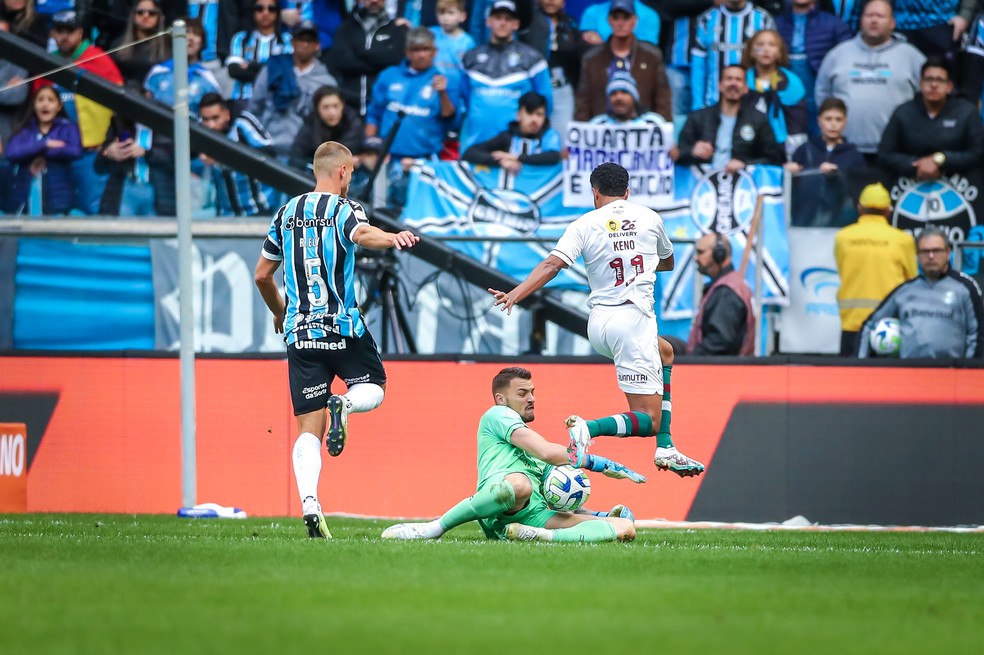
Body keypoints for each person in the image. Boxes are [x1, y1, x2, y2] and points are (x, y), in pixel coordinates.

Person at [488, 162, 705, 477]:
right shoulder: (650, 218)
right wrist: (638, 263)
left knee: (666, 351)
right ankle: (588, 428)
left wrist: (515, 294)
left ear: (595, 192)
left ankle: (667, 446)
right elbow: (667, 261)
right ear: (627, 192)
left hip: (598, 324)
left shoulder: (584, 223)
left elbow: (552, 265)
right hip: (632, 322)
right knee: (647, 421)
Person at [254, 141, 420, 539]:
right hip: (342, 327)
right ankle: (345, 402)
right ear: (343, 172)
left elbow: (262, 274)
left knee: (308, 430)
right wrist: (393, 237)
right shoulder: (345, 209)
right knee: (375, 388)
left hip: (300, 333)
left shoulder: (284, 213)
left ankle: (310, 504)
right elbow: (362, 233)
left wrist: (280, 311)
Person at [380, 366, 642, 542]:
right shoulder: (497, 415)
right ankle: (432, 529)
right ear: (501, 399)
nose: (531, 398)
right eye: (522, 393)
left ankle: (537, 536)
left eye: (533, 392)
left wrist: (598, 515)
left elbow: (554, 489)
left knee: (625, 528)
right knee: (520, 484)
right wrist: (597, 463)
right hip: (500, 504)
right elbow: (547, 451)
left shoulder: (531, 441)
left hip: (533, 516)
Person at [365, 26, 464, 208]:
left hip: (423, 162)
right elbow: (374, 114)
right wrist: (372, 148)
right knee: (378, 212)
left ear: (435, 52)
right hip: (387, 159)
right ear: (407, 52)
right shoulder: (389, 76)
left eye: (426, 49)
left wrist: (442, 94)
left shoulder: (445, 79)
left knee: (416, 217)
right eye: (416, 50)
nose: (421, 55)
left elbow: (452, 121)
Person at [815, 0, 925, 163]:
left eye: (880, 16)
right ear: (861, 20)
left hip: (896, 151)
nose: (874, 20)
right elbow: (822, 93)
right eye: (869, 15)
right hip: (845, 151)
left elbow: (926, 98)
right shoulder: (838, 54)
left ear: (892, 23)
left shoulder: (912, 56)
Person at [39, 9, 124, 215]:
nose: (65, 36)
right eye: (60, 31)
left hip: (90, 153)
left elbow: (122, 108)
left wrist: (117, 140)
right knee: (55, 212)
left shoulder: (99, 59)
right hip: (55, 153)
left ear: (80, 32)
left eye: (70, 30)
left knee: (91, 210)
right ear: (52, 34)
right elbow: (35, 107)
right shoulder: (46, 62)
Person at [858, 226, 983, 359]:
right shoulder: (905, 290)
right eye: (924, 251)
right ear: (917, 255)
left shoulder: (965, 288)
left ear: (948, 253)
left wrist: (969, 370)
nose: (930, 256)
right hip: (910, 374)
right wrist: (860, 368)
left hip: (951, 373)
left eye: (936, 250)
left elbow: (977, 334)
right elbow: (869, 326)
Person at [834, 183, 917, 356]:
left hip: (852, 323)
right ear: (888, 211)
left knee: (849, 379)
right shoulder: (902, 240)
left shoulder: (843, 237)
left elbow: (843, 269)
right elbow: (912, 280)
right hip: (889, 327)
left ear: (859, 208)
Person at [459, 0, 552, 150]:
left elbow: (545, 102)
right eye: (498, 18)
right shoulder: (470, 58)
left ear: (516, 24)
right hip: (474, 143)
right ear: (488, 21)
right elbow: (463, 98)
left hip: (515, 149)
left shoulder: (533, 59)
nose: (502, 23)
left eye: (508, 19)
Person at [877, 58, 984, 184]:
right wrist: (917, 165)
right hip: (908, 186)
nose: (933, 85)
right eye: (929, 79)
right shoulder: (903, 112)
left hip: (960, 187)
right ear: (920, 84)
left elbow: (978, 153)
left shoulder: (967, 112)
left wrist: (941, 160)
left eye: (939, 80)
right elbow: (885, 154)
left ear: (949, 86)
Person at [248, 20, 337, 162]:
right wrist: (258, 141)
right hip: (267, 148)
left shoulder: (326, 82)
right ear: (293, 42)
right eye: (301, 39)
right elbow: (254, 108)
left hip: (304, 154)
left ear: (317, 45)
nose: (305, 44)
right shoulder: (272, 69)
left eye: (310, 40)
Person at [573, 0, 671, 123]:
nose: (621, 23)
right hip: (602, 131)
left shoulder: (651, 56)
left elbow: (662, 98)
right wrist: (579, 131)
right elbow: (583, 100)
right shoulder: (592, 59)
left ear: (634, 21)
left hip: (642, 131)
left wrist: (665, 129)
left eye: (626, 17)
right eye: (616, 18)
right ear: (609, 21)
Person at [674, 65, 784, 171]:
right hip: (701, 184)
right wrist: (693, 151)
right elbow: (677, 153)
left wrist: (744, 164)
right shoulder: (698, 117)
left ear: (746, 88)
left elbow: (773, 159)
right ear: (720, 86)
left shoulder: (758, 119)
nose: (733, 83)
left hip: (744, 186)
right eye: (729, 78)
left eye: (738, 80)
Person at [785, 96, 868, 227]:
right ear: (819, 121)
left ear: (845, 122)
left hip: (841, 223)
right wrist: (790, 172)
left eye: (838, 119)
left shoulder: (854, 155)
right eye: (828, 119)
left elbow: (859, 193)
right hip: (804, 222)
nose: (833, 124)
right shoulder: (804, 149)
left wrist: (838, 175)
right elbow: (792, 190)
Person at [774, 0, 851, 136]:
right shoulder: (776, 23)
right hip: (782, 89)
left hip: (818, 90)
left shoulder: (834, 25)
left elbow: (847, 59)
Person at [5, 85, 83, 215]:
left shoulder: (68, 128)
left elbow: (75, 151)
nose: (45, 104)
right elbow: (11, 153)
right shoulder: (24, 130)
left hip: (60, 201)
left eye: (50, 100)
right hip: (26, 202)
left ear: (59, 106)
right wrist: (45, 144)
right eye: (40, 100)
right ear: (34, 105)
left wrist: (36, 153)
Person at [198, 92, 275, 217]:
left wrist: (221, 157)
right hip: (225, 213)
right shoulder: (203, 131)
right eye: (205, 119)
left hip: (256, 208)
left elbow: (268, 151)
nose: (210, 125)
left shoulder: (243, 124)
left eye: (215, 118)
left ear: (226, 114)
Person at [326, 0, 408, 117]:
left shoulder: (397, 28)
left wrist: (360, 52)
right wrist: (380, 61)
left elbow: (396, 59)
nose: (374, 1)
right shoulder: (346, 27)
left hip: (384, 109)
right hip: (348, 107)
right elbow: (340, 62)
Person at [690, 0, 775, 111]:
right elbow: (698, 67)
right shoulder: (708, 19)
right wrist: (698, 105)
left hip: (753, 106)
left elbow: (772, 66)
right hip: (713, 103)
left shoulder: (763, 20)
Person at [740, 28, 807, 158]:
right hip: (747, 145)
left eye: (772, 45)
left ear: (780, 52)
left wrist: (795, 155)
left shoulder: (792, 83)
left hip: (783, 149)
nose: (766, 49)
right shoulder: (742, 81)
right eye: (760, 45)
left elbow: (797, 123)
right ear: (751, 52)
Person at [687, 232, 755, 356]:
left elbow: (718, 343)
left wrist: (689, 360)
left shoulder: (726, 292)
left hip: (720, 371)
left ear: (719, 255)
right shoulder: (729, 285)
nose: (696, 258)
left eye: (701, 252)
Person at [461, 90, 560, 170]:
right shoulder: (507, 137)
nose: (535, 119)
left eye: (539, 114)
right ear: (519, 114)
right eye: (529, 113)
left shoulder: (549, 135)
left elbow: (553, 157)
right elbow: (470, 153)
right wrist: (501, 161)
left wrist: (517, 157)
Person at [226, 1, 293, 102]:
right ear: (253, 12)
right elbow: (234, 71)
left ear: (277, 13)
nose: (265, 13)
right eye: (259, 8)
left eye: (271, 9)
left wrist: (251, 66)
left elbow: (284, 72)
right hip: (244, 99)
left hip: (275, 102)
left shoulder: (287, 40)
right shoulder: (240, 38)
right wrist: (270, 68)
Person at [288, 85, 364, 172]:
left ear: (342, 105)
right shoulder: (310, 125)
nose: (332, 112)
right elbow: (296, 158)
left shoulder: (353, 123)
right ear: (317, 108)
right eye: (326, 107)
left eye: (335, 106)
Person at [110, 0, 172, 88]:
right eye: (140, 12)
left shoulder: (168, 48)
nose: (145, 16)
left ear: (160, 17)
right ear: (133, 15)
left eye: (152, 13)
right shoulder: (118, 44)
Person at [430, 0, 475, 74]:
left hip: (459, 85)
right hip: (432, 84)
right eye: (442, 13)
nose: (445, 18)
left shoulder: (468, 42)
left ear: (462, 16)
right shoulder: (431, 35)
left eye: (451, 13)